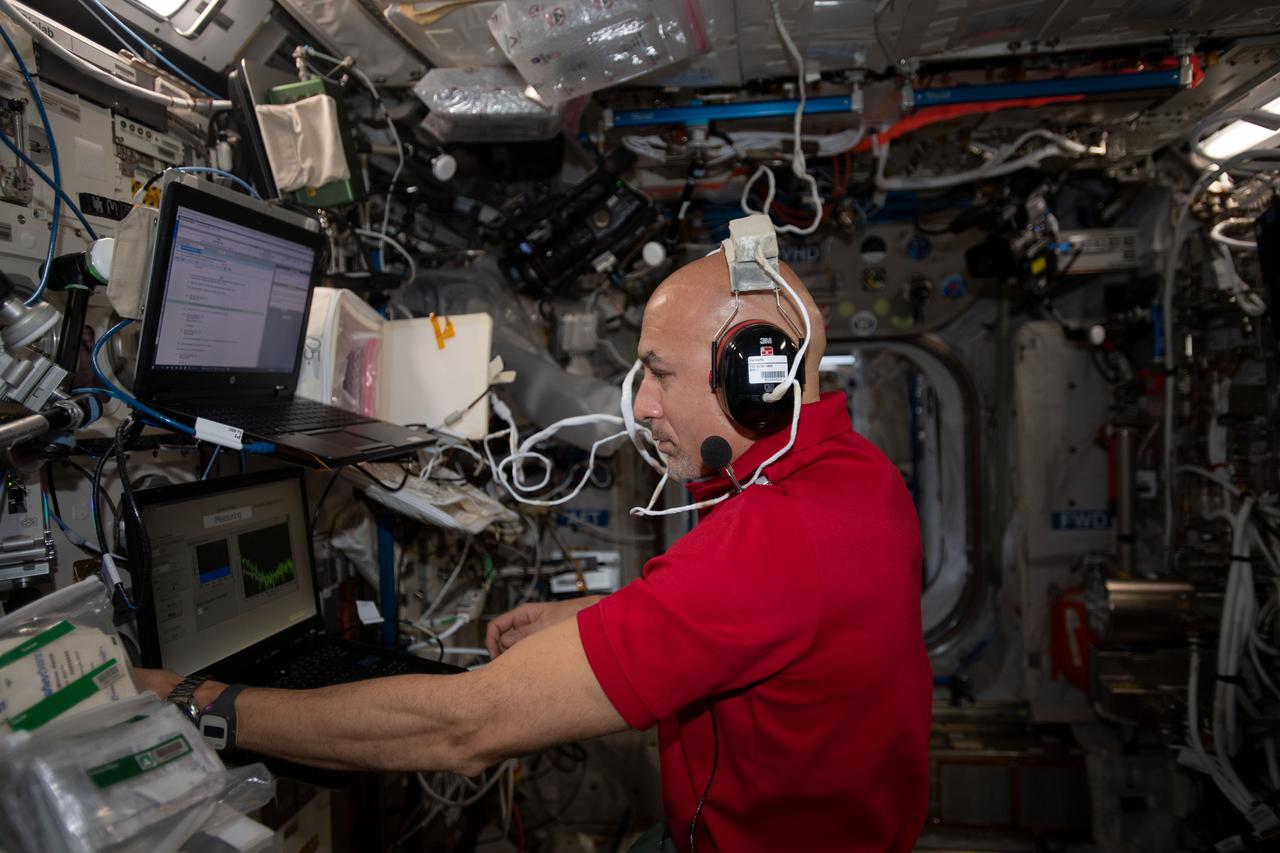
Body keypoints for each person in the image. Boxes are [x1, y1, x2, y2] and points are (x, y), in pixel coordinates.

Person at [137, 249, 932, 852]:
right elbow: (745, 614)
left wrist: (204, 703)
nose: (642, 405)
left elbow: (462, 728)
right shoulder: (855, 477)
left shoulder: (775, 537)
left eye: (657, 373)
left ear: (759, 378)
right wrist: (592, 618)